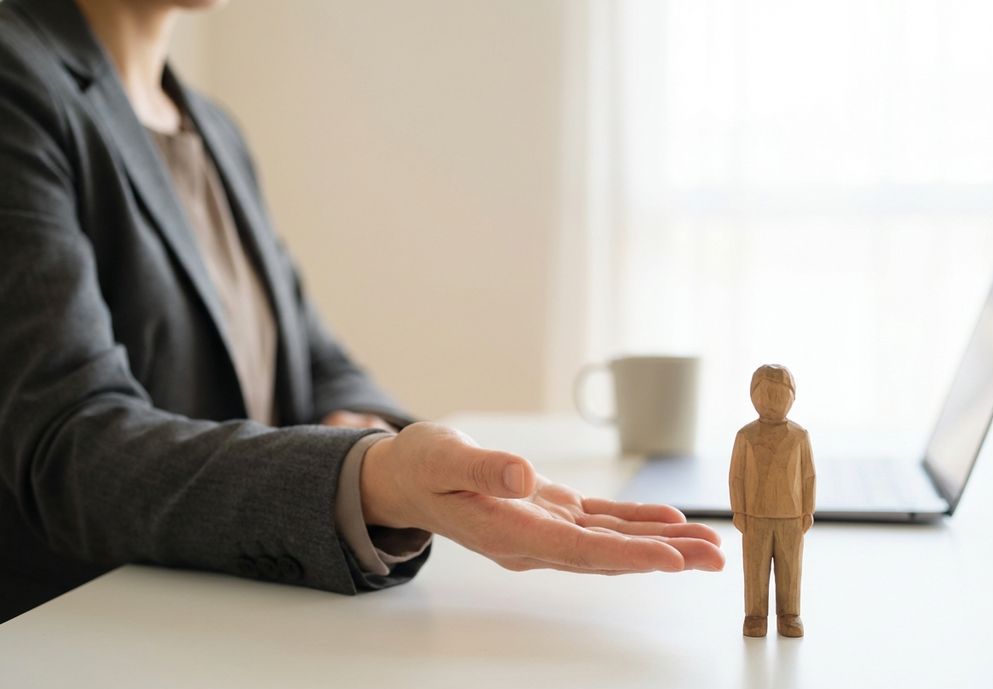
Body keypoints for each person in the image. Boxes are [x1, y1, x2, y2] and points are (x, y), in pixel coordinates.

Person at [0, 0, 725, 623]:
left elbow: (317, 360)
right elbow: (71, 441)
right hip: (79, 647)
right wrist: (370, 475)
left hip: (226, 629)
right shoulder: (16, 78)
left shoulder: (213, 128)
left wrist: (371, 430)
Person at [729, 365, 815, 638]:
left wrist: (807, 510)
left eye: (780, 394)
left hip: (791, 516)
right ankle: (755, 615)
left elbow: (809, 476)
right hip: (755, 516)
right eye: (767, 394)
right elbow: (736, 476)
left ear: (792, 397)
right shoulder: (746, 436)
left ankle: (789, 614)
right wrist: (738, 510)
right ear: (753, 396)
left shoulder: (799, 436)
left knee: (791, 567)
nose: (774, 401)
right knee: (755, 566)